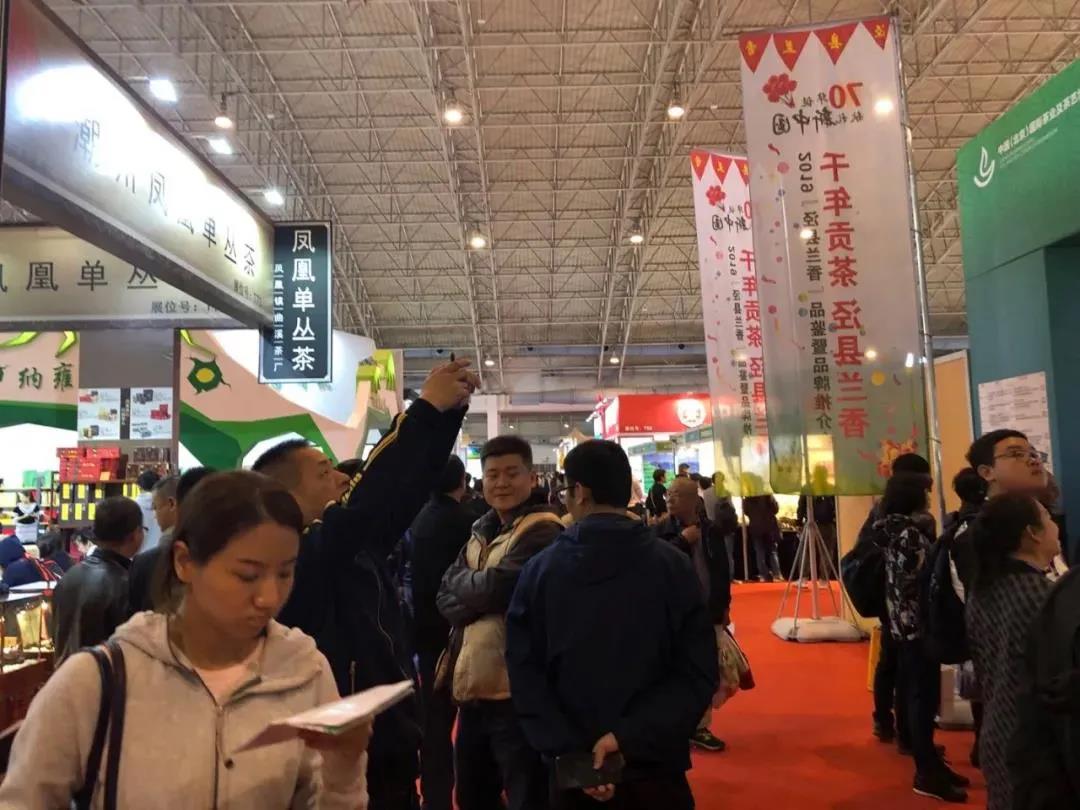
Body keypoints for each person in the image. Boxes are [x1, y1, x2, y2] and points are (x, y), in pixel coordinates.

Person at [0, 470, 371, 808]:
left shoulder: (305, 671)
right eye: (247, 575)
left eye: (285, 574)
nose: (269, 597)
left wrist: (344, 768)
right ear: (184, 562)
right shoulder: (98, 680)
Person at [264, 359, 477, 810]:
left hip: (390, 748)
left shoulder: (356, 547)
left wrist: (447, 414)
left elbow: (409, 488)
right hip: (341, 760)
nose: (342, 477)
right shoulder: (301, 557)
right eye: (324, 472)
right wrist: (425, 409)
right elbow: (368, 498)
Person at [507, 440, 718, 810]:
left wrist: (571, 750)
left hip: (572, 770)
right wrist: (630, 737)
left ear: (579, 492)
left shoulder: (541, 570)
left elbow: (524, 671)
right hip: (655, 767)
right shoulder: (672, 565)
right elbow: (697, 671)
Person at [437, 435, 564, 810]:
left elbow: (498, 588)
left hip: (517, 693)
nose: (501, 483)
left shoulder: (544, 530)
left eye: (512, 473)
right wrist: (478, 595)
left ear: (532, 478)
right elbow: (444, 594)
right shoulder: (481, 527)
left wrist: (471, 591)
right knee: (472, 795)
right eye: (493, 475)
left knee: (527, 795)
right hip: (474, 687)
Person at [951, 430, 1047, 768]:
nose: (1032, 460)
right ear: (986, 472)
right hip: (1022, 712)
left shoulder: (1040, 526)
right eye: (1017, 454)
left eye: (1033, 452)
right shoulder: (978, 539)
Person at [878, 472, 968, 802]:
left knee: (916, 692)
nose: (929, 498)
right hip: (916, 625)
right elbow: (921, 580)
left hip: (901, 623)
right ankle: (926, 770)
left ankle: (929, 762)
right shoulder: (911, 535)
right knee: (923, 696)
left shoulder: (889, 529)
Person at [965, 494, 1058, 810]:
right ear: (1032, 533)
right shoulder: (1042, 595)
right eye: (1047, 517)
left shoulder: (983, 589)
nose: (1055, 524)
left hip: (998, 731)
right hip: (1036, 742)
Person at [408, 455, 475, 810]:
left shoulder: (419, 518)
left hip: (426, 632)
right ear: (463, 481)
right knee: (470, 721)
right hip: (457, 633)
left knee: (435, 726)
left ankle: (435, 798)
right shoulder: (466, 522)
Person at [654, 476, 731, 753]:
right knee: (672, 670)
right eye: (669, 494)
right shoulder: (661, 530)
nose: (670, 499)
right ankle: (674, 724)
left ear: (693, 500)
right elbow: (656, 564)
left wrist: (725, 606)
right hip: (673, 613)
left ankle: (699, 726)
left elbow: (721, 570)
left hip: (707, 611)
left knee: (706, 670)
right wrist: (682, 542)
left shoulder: (711, 530)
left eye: (677, 494)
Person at [862, 452, 934, 746]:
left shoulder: (881, 515)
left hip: (887, 597)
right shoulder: (916, 526)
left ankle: (884, 720)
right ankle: (907, 732)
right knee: (909, 669)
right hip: (909, 605)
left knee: (889, 660)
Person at [53, 496, 144, 661]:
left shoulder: (68, 577)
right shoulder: (126, 583)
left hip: (66, 672)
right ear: (135, 534)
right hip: (105, 674)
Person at [128, 468, 215, 615]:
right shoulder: (228, 555)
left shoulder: (147, 563)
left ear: (172, 504)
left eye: (155, 508)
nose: (155, 516)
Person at [742, 494, 781, 582]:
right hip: (769, 527)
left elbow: (746, 511)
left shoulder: (748, 497)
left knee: (759, 552)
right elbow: (775, 509)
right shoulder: (767, 495)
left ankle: (764, 574)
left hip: (756, 527)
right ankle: (777, 574)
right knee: (772, 551)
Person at [798, 494, 838, 579]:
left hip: (811, 522)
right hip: (828, 524)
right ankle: (824, 578)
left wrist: (799, 521)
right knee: (827, 552)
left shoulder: (807, 488)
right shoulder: (829, 488)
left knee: (805, 551)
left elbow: (801, 506)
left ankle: (804, 576)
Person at [134, 470, 162, 550]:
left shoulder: (131, 506)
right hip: (161, 553)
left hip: (138, 554)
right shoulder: (167, 505)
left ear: (139, 487)